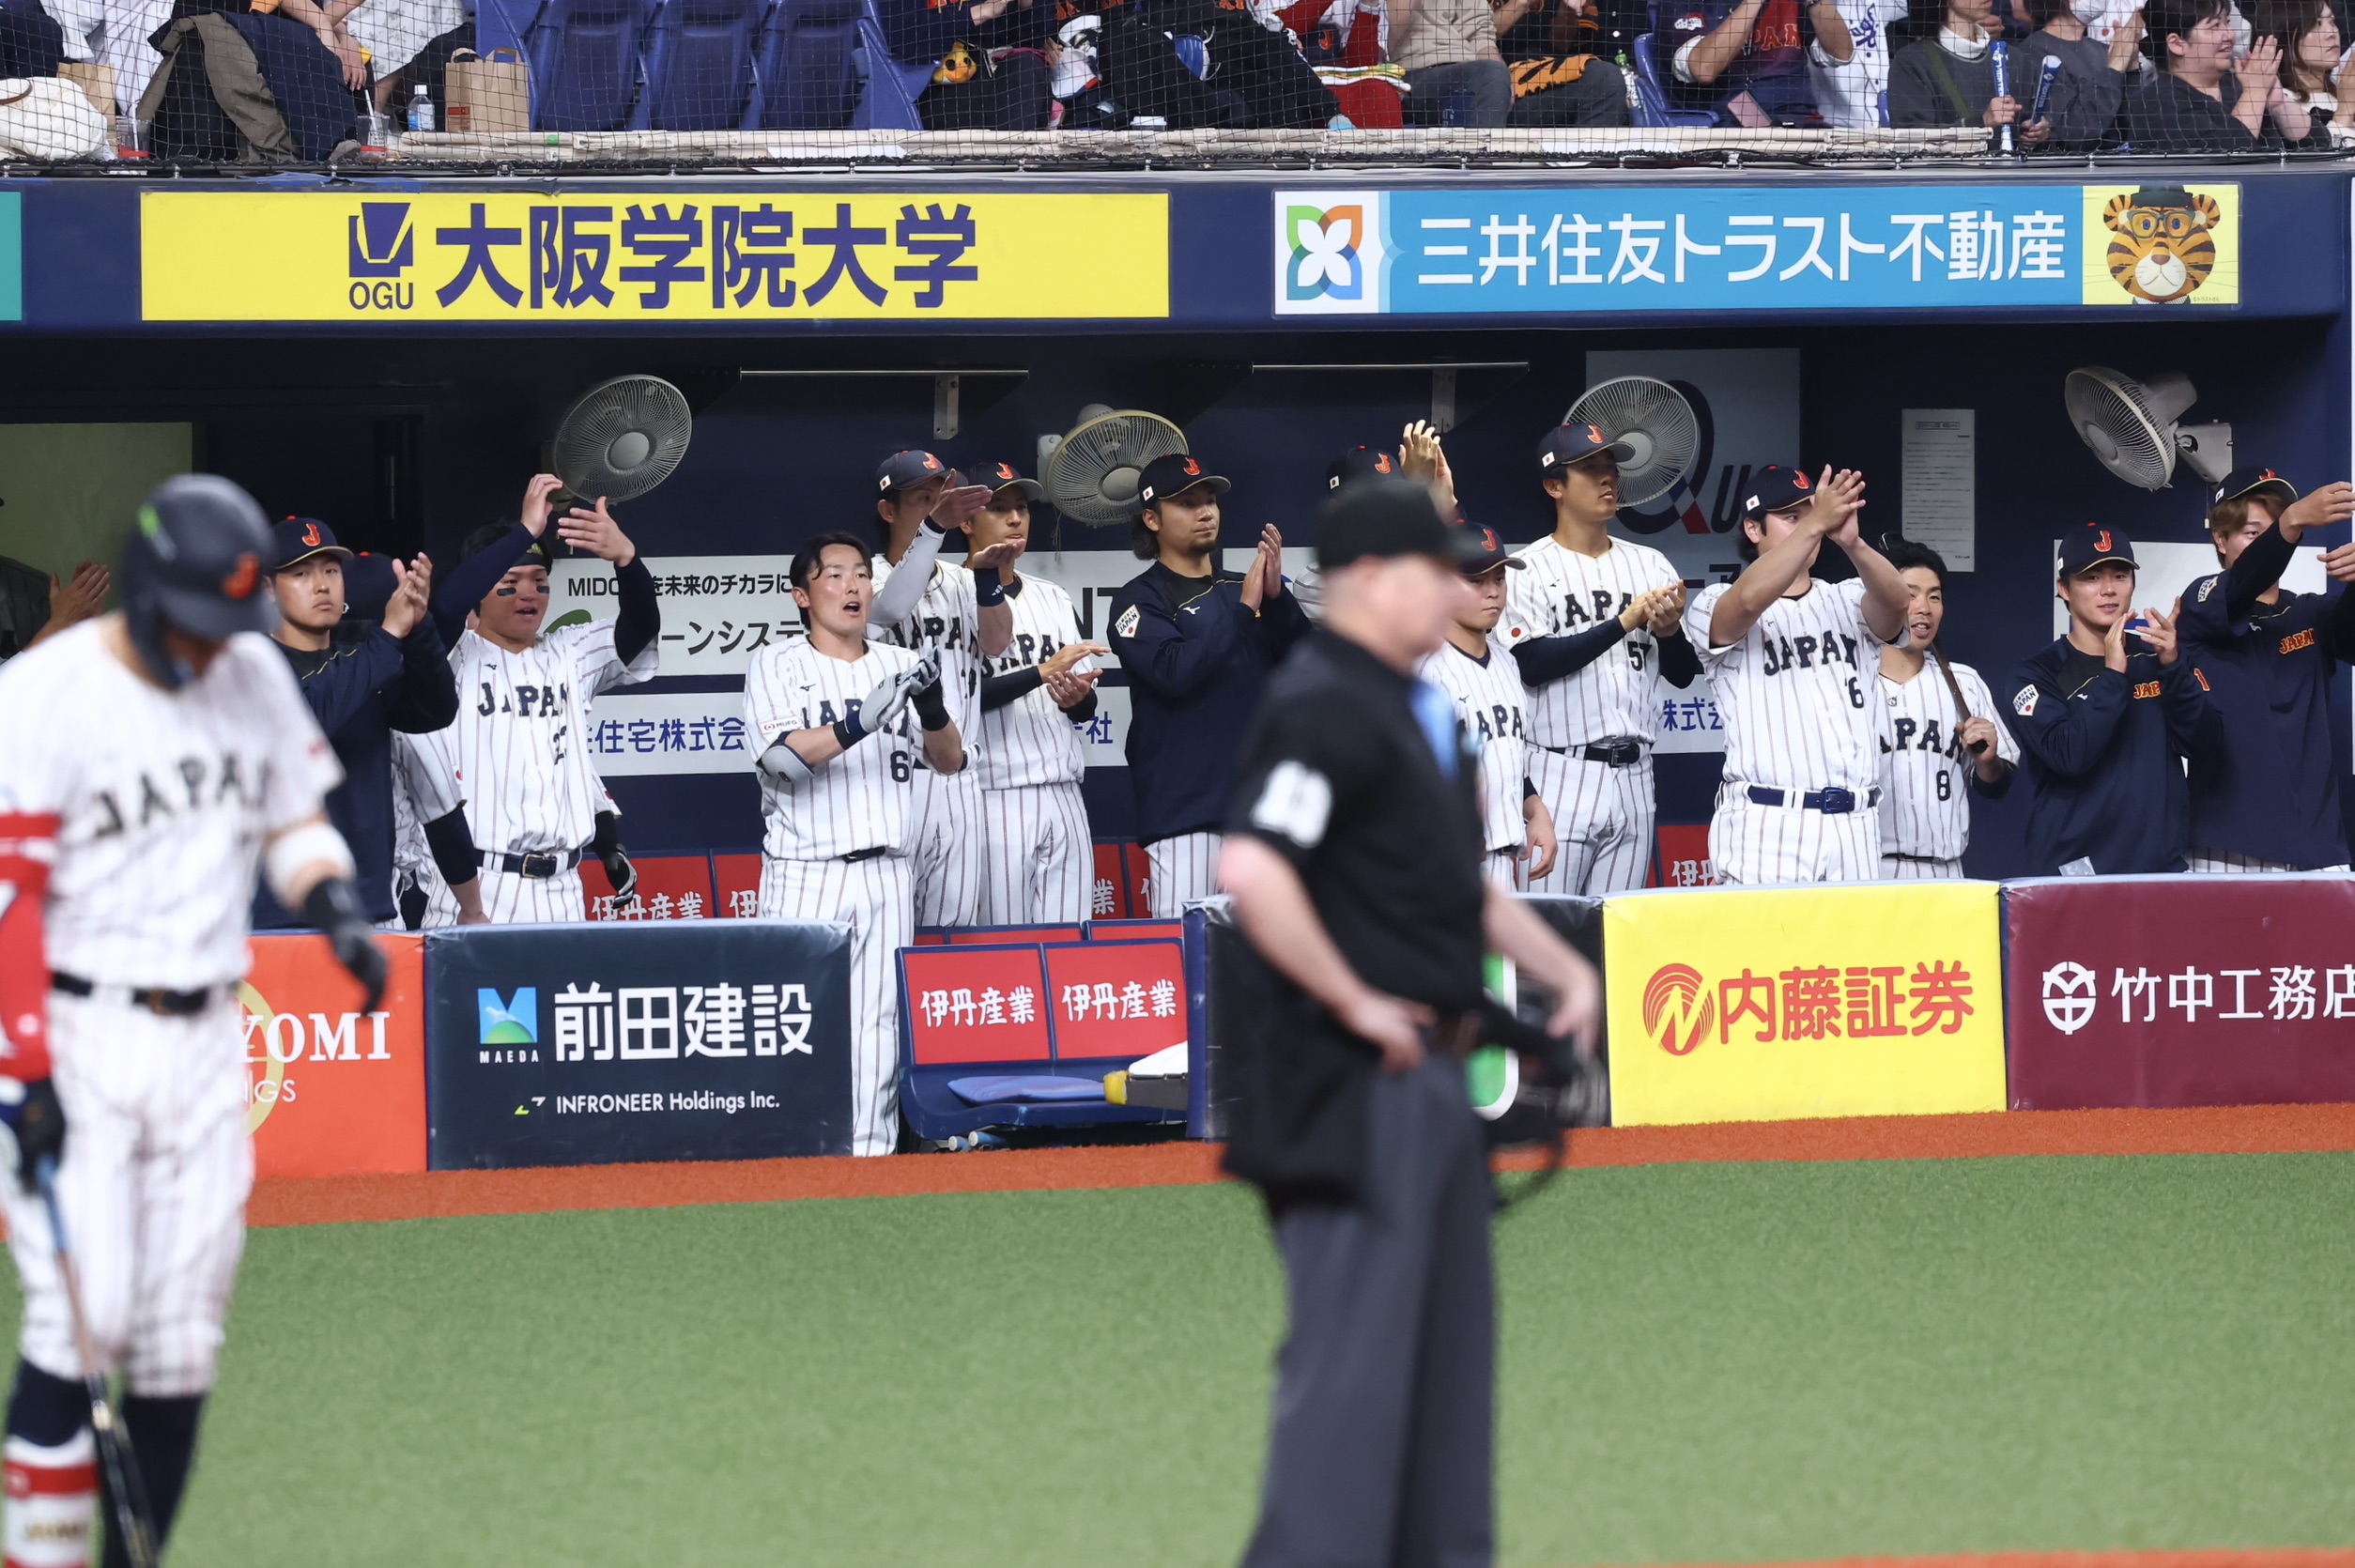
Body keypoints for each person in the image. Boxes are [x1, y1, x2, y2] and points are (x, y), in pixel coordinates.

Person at [0, 475, 384, 1568]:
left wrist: (332, 904)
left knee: (176, 1345)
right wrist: (21, 1072)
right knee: (81, 1323)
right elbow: (9, 900)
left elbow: (292, 818)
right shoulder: (45, 693)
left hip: (210, 1041)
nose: (220, 649)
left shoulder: (248, 665)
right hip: (78, 1035)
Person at [1219, 476, 1599, 1568]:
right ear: (1373, 579)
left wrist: (1556, 967)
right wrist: (1352, 997)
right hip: (1350, 1086)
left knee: (1448, 1373)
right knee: (1352, 1379)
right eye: (1439, 570)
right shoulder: (1322, 698)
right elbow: (1253, 866)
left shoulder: (1418, 703)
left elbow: (1459, 885)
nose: (1459, 590)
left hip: (1432, 1078)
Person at [745, 532, 962, 1158]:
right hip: (806, 869)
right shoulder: (777, 663)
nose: (852, 587)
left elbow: (949, 762)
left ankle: (868, 1163)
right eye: (834, 575)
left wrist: (934, 707)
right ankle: (786, 1155)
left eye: (862, 575)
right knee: (791, 1018)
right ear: (802, 595)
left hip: (887, 871)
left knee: (875, 1026)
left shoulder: (899, 663)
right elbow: (782, 761)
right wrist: (857, 723)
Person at [423, 473, 658, 923]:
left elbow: (640, 627)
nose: (528, 593)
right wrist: (524, 533)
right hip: (478, 883)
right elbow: (446, 609)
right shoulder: (451, 654)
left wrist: (627, 561)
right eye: (509, 582)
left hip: (562, 888)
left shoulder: (568, 651)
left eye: (539, 580)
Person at [247, 516, 485, 930]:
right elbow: (311, 716)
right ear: (268, 590)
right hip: (277, 917)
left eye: (331, 570)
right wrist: (390, 633)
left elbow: (434, 709)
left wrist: (419, 624)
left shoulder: (363, 654)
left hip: (365, 908)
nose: (322, 584)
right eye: (301, 573)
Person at [1105, 453, 1312, 917]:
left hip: (1260, 814)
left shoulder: (1251, 587)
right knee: (1186, 958)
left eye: (1210, 501)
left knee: (1260, 970)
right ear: (1152, 518)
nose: (1205, 512)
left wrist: (1277, 603)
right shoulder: (1137, 599)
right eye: (1187, 503)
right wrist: (1243, 611)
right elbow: (1173, 673)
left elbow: (1308, 665)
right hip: (1187, 815)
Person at [1683, 464, 1910, 886]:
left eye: (1812, 514)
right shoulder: (1713, 600)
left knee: (1852, 954)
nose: (1810, 527)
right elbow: (1748, 600)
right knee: (1764, 953)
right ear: (1754, 529)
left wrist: (1854, 543)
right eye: (1792, 518)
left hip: (1854, 823)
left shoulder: (1845, 598)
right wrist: (1818, 522)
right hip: (1769, 823)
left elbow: (1899, 605)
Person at [1504, 423, 1697, 895]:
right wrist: (1623, 622)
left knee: (1616, 939)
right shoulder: (1528, 568)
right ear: (1555, 487)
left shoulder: (1650, 563)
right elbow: (1531, 664)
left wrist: (1669, 631)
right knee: (1549, 937)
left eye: (1611, 469)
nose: (1608, 480)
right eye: (1590, 470)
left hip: (1634, 775)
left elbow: (1681, 674)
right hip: (1559, 772)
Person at [2006, 521, 2220, 877]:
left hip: (2158, 867)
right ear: (2064, 589)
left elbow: (2207, 747)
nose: (2108, 590)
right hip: (2074, 871)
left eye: (2120, 576)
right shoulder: (2035, 673)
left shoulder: (2159, 659)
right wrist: (2112, 675)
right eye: (2091, 578)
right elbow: (2069, 755)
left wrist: (2174, 669)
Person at [2178, 469, 2355, 872]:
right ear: (2220, 540)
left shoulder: (2311, 612)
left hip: (2316, 843)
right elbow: (2240, 585)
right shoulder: (2200, 601)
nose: (2271, 540)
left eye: (2274, 530)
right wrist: (2290, 521)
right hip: (2228, 843)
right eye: (2253, 533)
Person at [866, 451, 1014, 930]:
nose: (937, 507)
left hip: (959, 777)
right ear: (888, 511)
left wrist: (988, 581)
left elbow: (997, 644)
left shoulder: (960, 580)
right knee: (891, 933)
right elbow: (889, 610)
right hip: (896, 777)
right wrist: (934, 529)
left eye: (942, 496)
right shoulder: (862, 578)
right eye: (922, 499)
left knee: (953, 936)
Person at [965, 461, 1108, 924]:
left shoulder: (1054, 597)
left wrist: (1077, 698)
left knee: (1071, 948)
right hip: (994, 794)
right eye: (999, 508)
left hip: (1064, 790)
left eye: (1022, 508)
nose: (1015, 520)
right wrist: (1041, 671)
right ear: (966, 521)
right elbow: (959, 696)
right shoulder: (946, 596)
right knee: (1005, 950)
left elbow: (1086, 707)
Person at [1420, 524, 1559, 889]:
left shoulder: (1507, 662)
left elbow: (1504, 750)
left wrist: (1534, 808)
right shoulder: (1423, 668)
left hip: (1504, 860)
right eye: (1477, 581)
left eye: (1499, 579)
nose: (1493, 592)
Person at [1873, 539, 2017, 879]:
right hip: (1867, 871)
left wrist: (1988, 763)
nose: (1924, 607)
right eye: (1910, 594)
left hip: (1944, 872)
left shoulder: (1965, 683)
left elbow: (1997, 785)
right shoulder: (1849, 684)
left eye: (1934, 596)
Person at [2118, 0, 2325, 148]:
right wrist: (2254, 93)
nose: (2229, 35)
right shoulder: (2158, 100)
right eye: (2214, 26)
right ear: (2177, 43)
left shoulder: (2239, 86)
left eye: (2227, 22)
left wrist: (2279, 105)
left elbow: (2320, 143)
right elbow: (2229, 150)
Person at [1656, 0, 1855, 123]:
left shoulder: (1791, 3)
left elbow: (1841, 55)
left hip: (1797, 127)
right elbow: (1703, 69)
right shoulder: (1684, 3)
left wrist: (1816, 1)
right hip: (1719, 133)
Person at [877, 0, 1054, 129]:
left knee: (1027, 69)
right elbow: (905, 41)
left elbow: (1033, 40)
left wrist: (1027, 6)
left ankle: (1013, 169)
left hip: (1004, 81)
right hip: (935, 88)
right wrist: (977, 14)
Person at [1889, 0, 2047, 134]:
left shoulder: (2015, 59)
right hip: (1946, 170)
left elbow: (2035, 128)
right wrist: (1981, 123)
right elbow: (1911, 137)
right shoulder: (1912, 61)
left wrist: (2037, 134)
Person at [2014, 0, 2141, 147]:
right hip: (2073, 167)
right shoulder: (2033, 52)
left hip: (2121, 164)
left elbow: (2135, 126)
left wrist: (2132, 69)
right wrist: (2114, 69)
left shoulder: (2101, 49)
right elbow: (2074, 131)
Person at [1494, 0, 1634, 126]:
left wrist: (1567, 10)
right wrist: (1522, 2)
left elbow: (1560, 44)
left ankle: (1590, 154)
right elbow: (1477, 36)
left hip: (1547, 82)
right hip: (1493, 87)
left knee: (1605, 78)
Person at [1389, 0, 1516, 125]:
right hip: (1406, 74)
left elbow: (1479, 35)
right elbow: (1381, 40)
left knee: (1531, 112)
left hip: (1465, 71)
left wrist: (1501, 79)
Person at [2254, 0, 2349, 134]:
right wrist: (2345, 113)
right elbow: (2324, 154)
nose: (2331, 32)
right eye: (2317, 24)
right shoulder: (2280, 103)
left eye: (2332, 21)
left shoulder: (2345, 94)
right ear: (2285, 36)